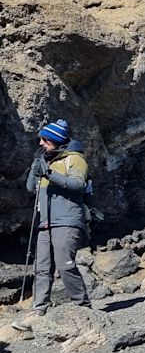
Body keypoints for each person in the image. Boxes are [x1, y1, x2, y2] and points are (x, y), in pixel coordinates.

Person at [12, 119, 91, 331]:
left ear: (56, 141)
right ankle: (38, 311)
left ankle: (83, 307)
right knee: (42, 268)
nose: (40, 143)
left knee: (65, 264)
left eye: (45, 140)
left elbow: (76, 184)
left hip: (67, 220)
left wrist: (49, 173)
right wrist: (35, 169)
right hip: (45, 223)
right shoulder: (45, 161)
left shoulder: (74, 159)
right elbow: (31, 188)